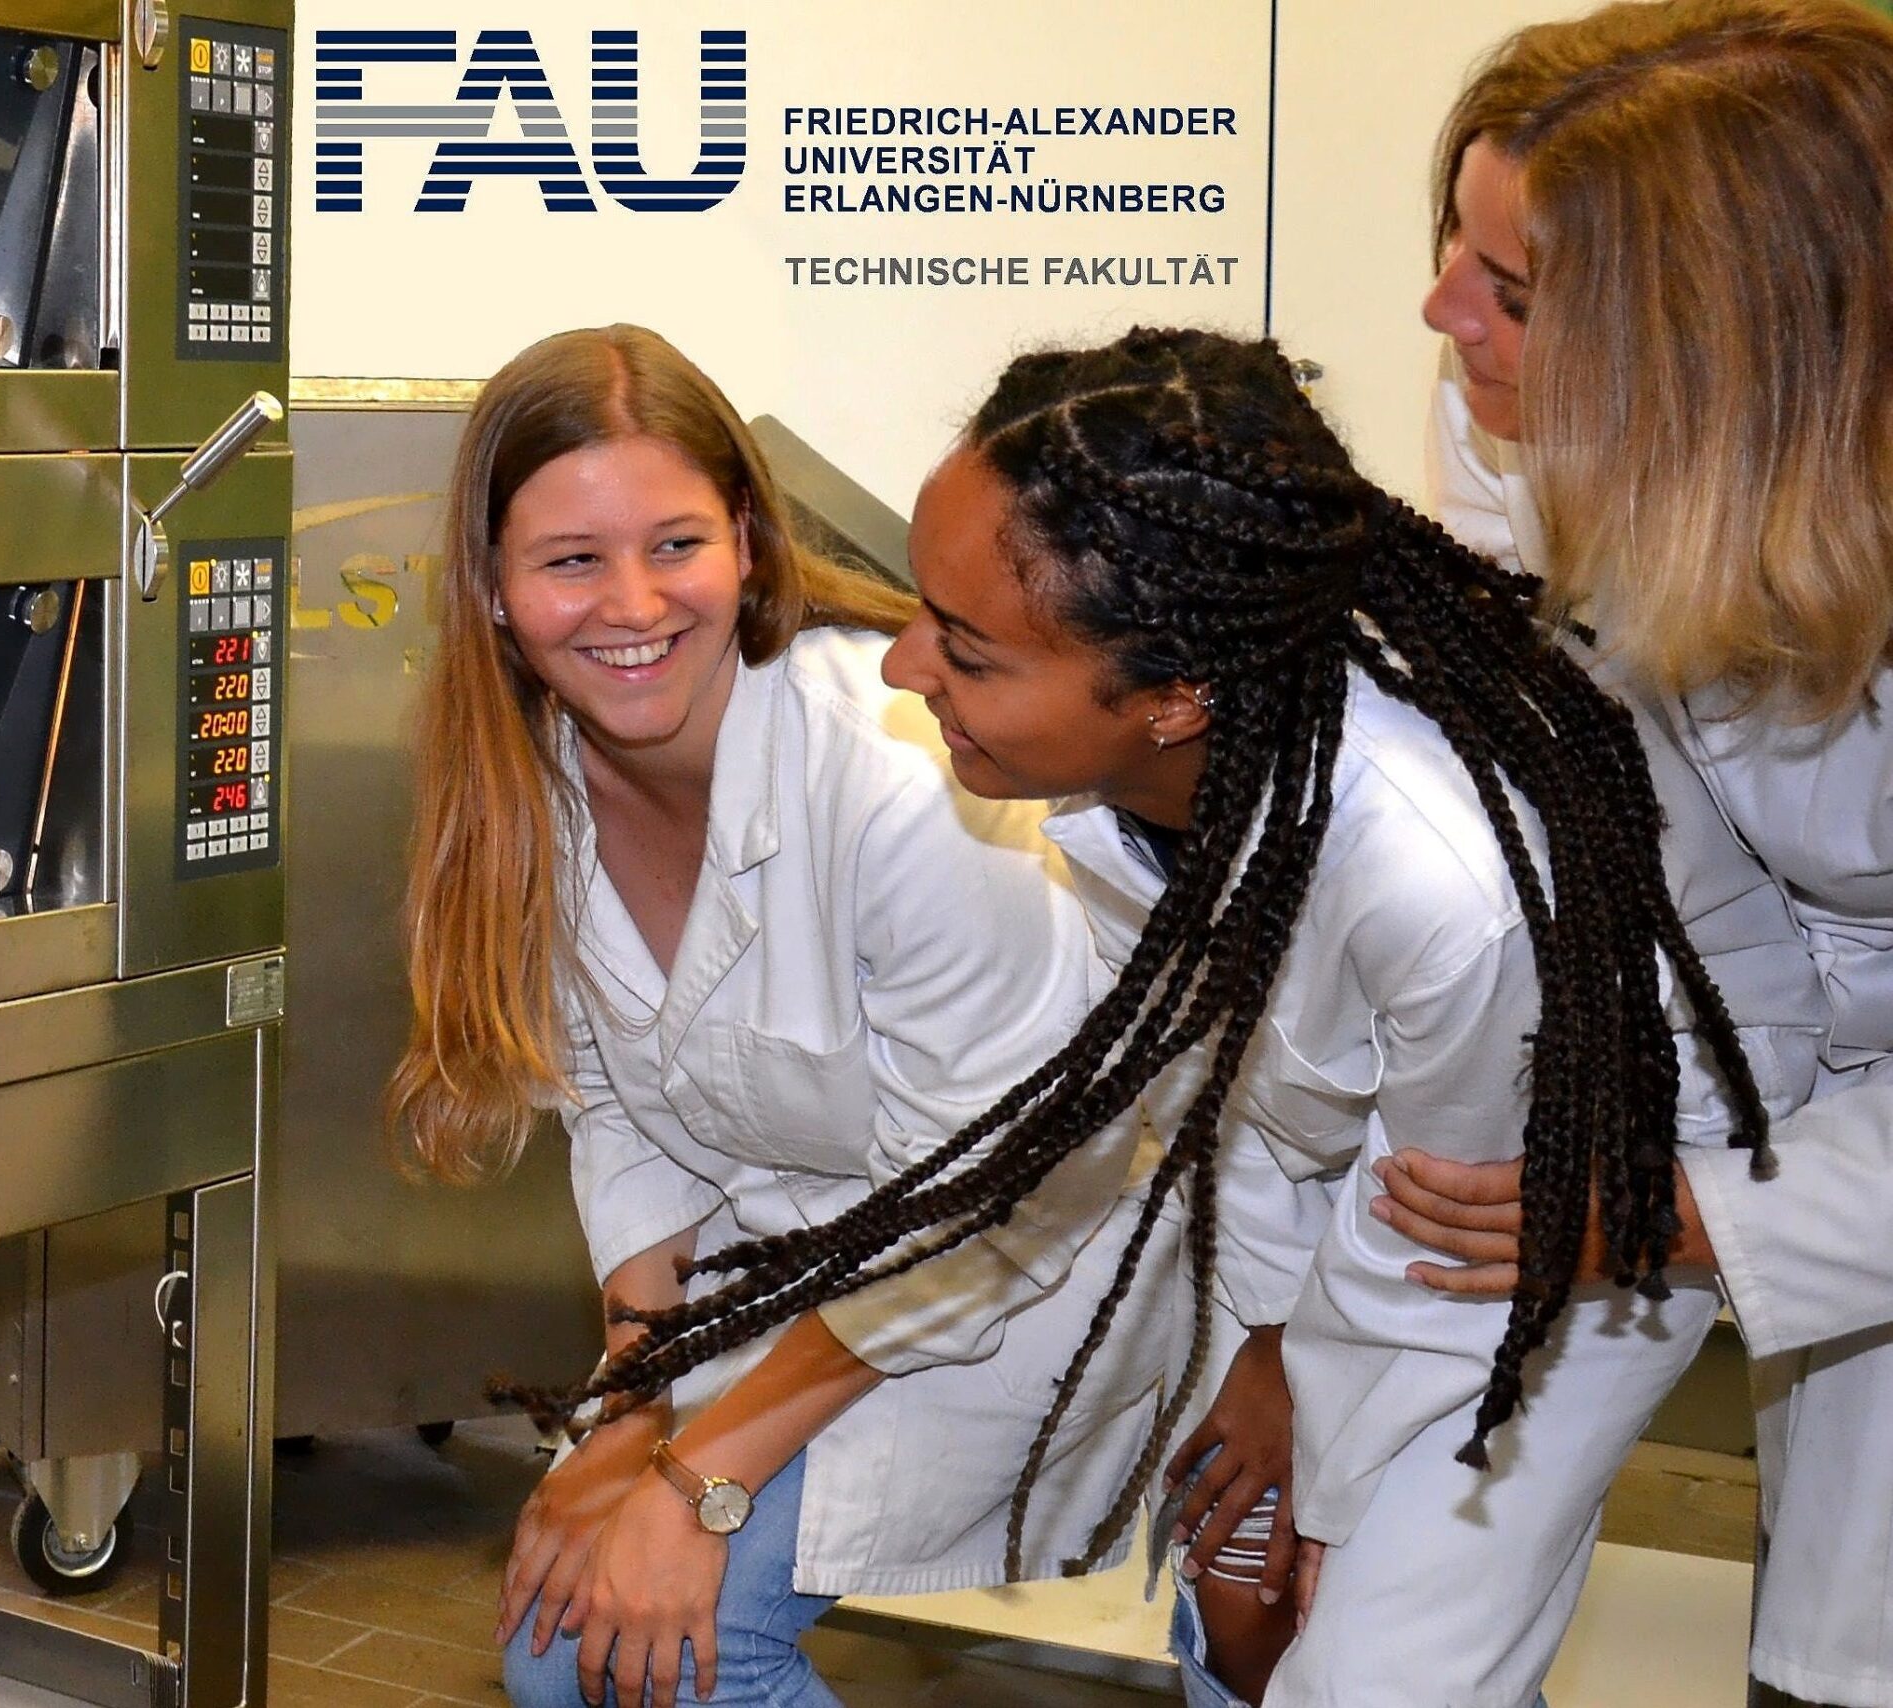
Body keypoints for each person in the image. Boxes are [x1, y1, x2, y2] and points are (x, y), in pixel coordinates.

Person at [533, 325, 1818, 1708]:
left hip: (1576, 1183)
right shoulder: (1128, 786)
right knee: (1237, 1587)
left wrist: (1324, 1461)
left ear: (1170, 699)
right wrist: (1267, 1345)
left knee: (1362, 1666)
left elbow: (1444, 1233)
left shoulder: (1439, 879)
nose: (903, 667)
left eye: (965, 649)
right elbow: (1239, 1094)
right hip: (1364, 1177)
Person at [386, 324, 1180, 1708]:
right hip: (796, 1271)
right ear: (496, 589)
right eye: (572, 561)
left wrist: (703, 1476)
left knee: (671, 1660)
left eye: (676, 544)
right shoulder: (534, 794)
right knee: (564, 1649)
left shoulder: (896, 774)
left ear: (748, 542)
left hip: (1024, 1266)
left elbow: (992, 1196)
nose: (633, 604)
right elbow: (625, 1123)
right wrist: (629, 1418)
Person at [1377, 4, 1893, 1703]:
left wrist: (1680, 1211)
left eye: (1512, 291)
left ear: (1726, 350)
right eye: (1459, 244)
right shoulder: (1522, 419)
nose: (1445, 312)